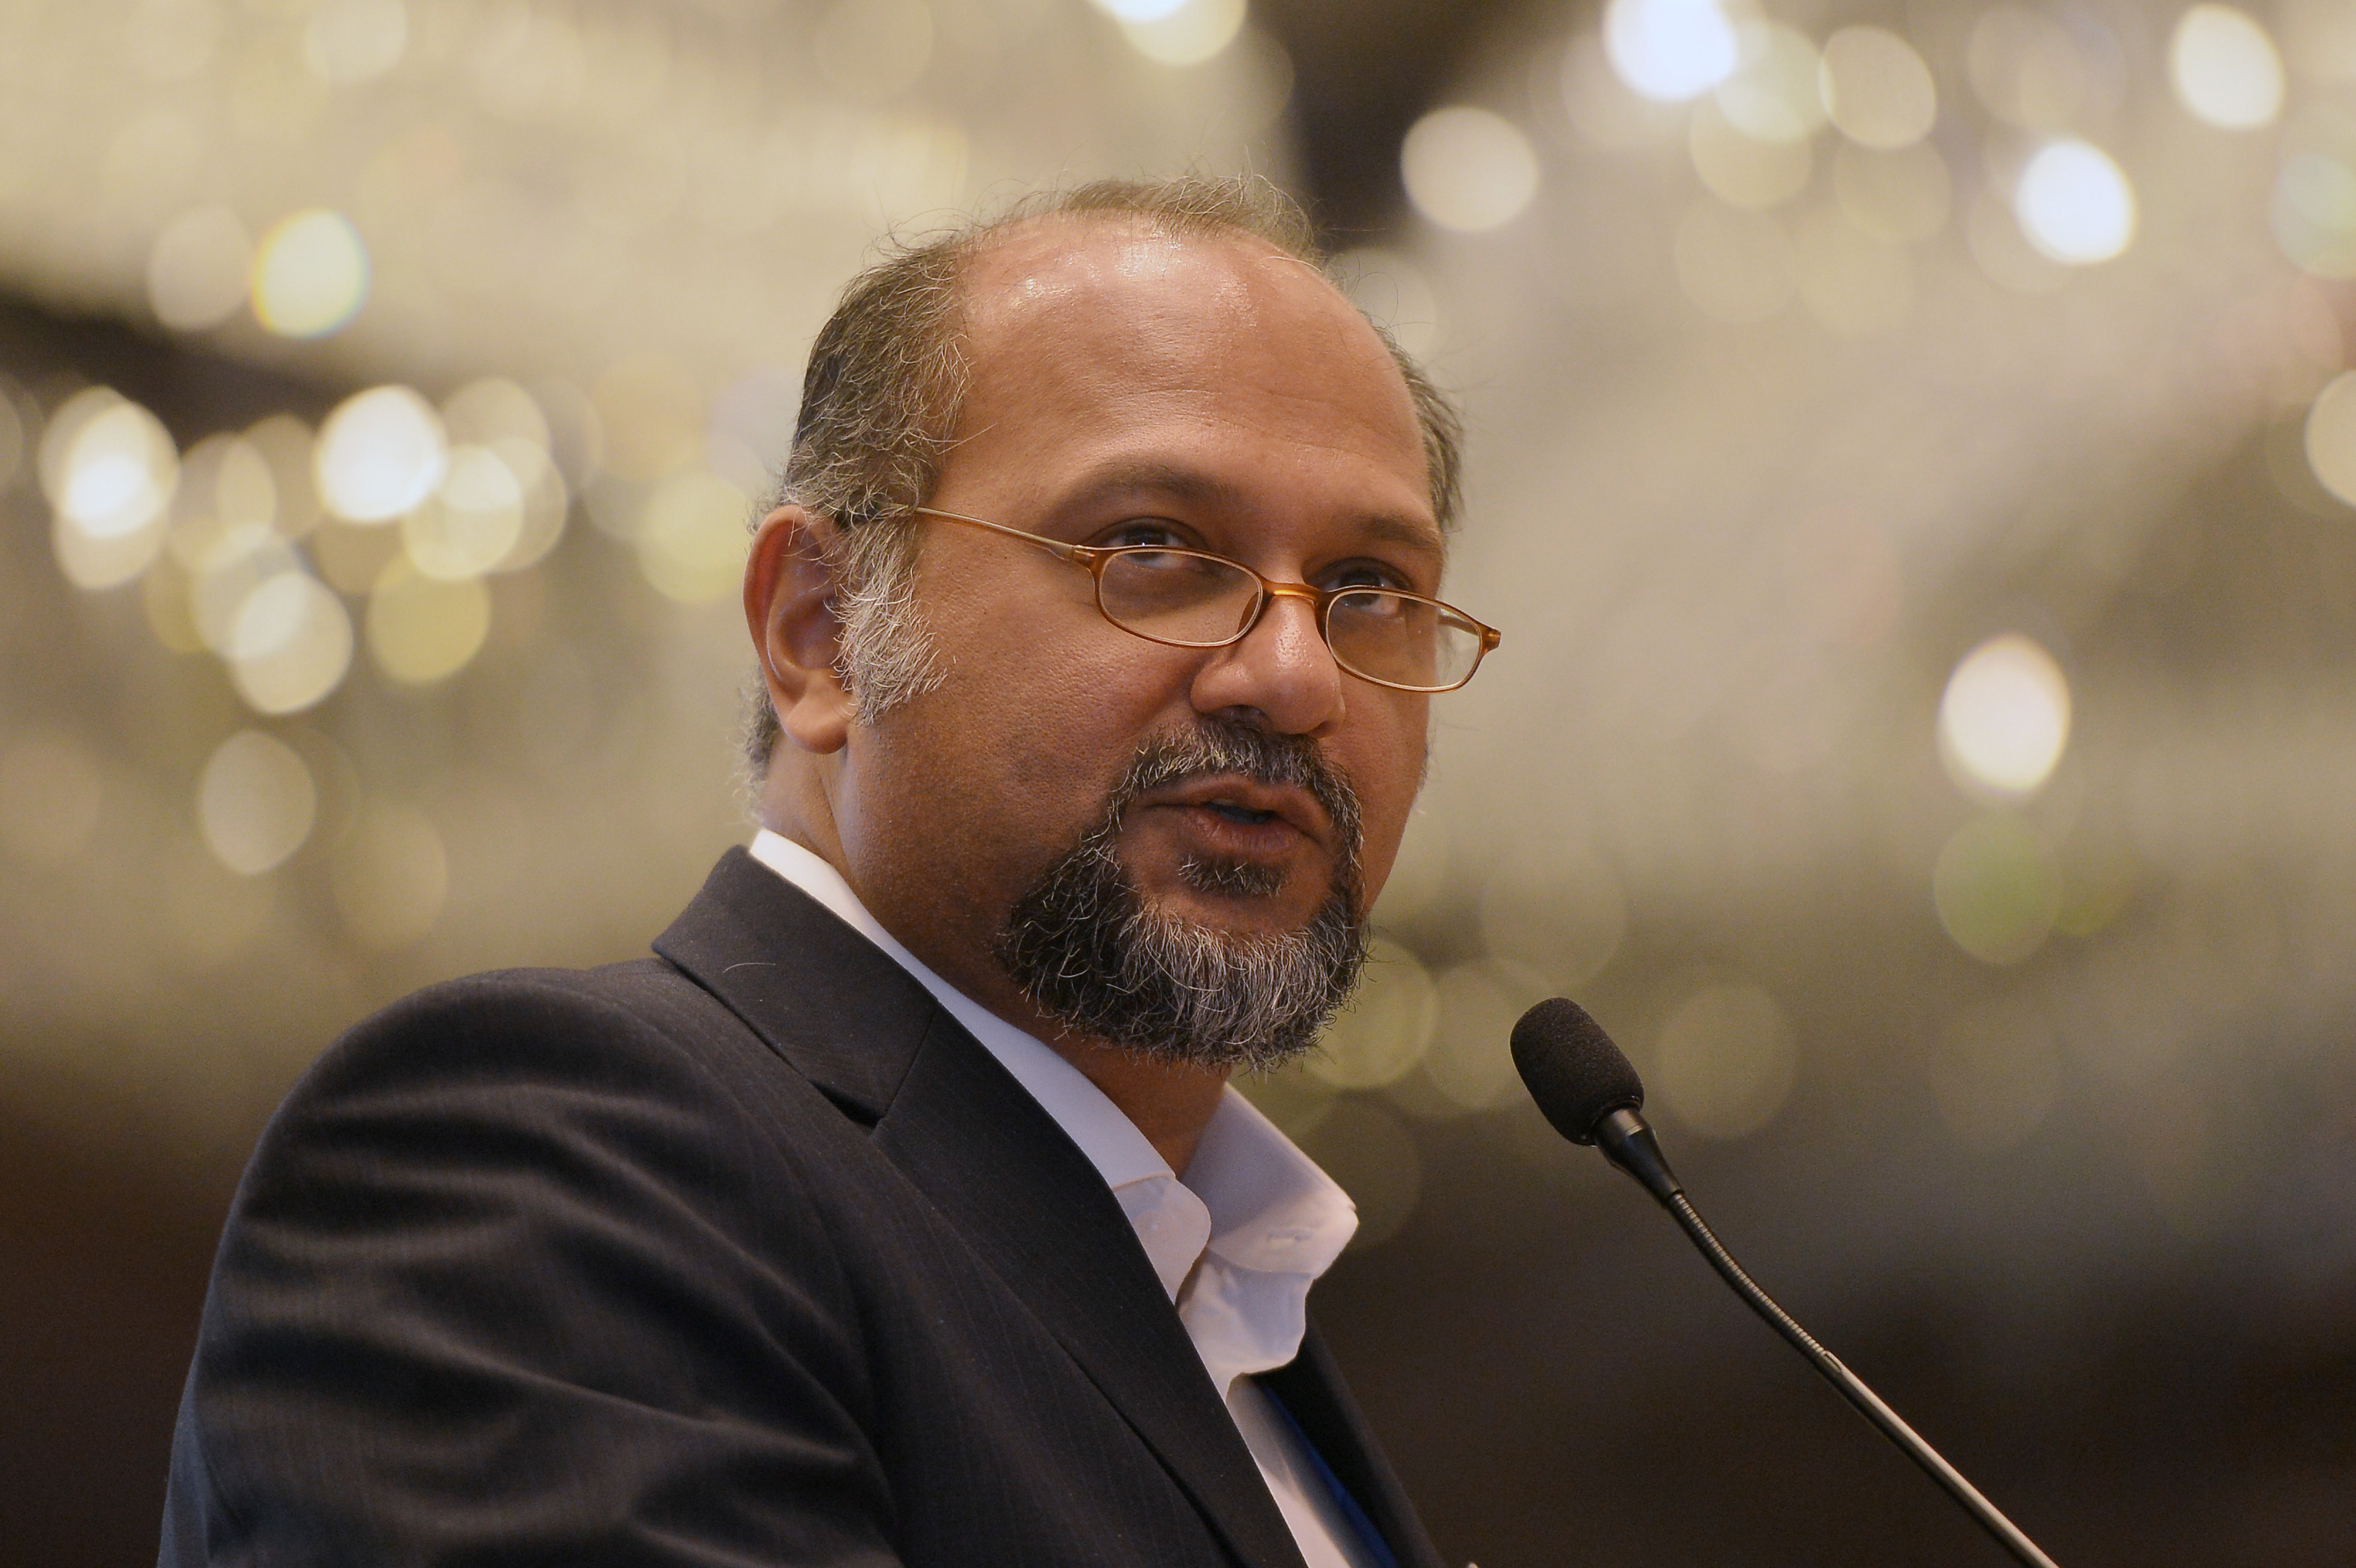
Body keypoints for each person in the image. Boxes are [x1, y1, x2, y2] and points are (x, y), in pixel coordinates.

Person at [161, 175, 1500, 1568]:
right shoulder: (550, 1160)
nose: (1293, 673)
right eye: (1151, 548)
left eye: (1369, 591)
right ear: (821, 629)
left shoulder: (1233, 1312)